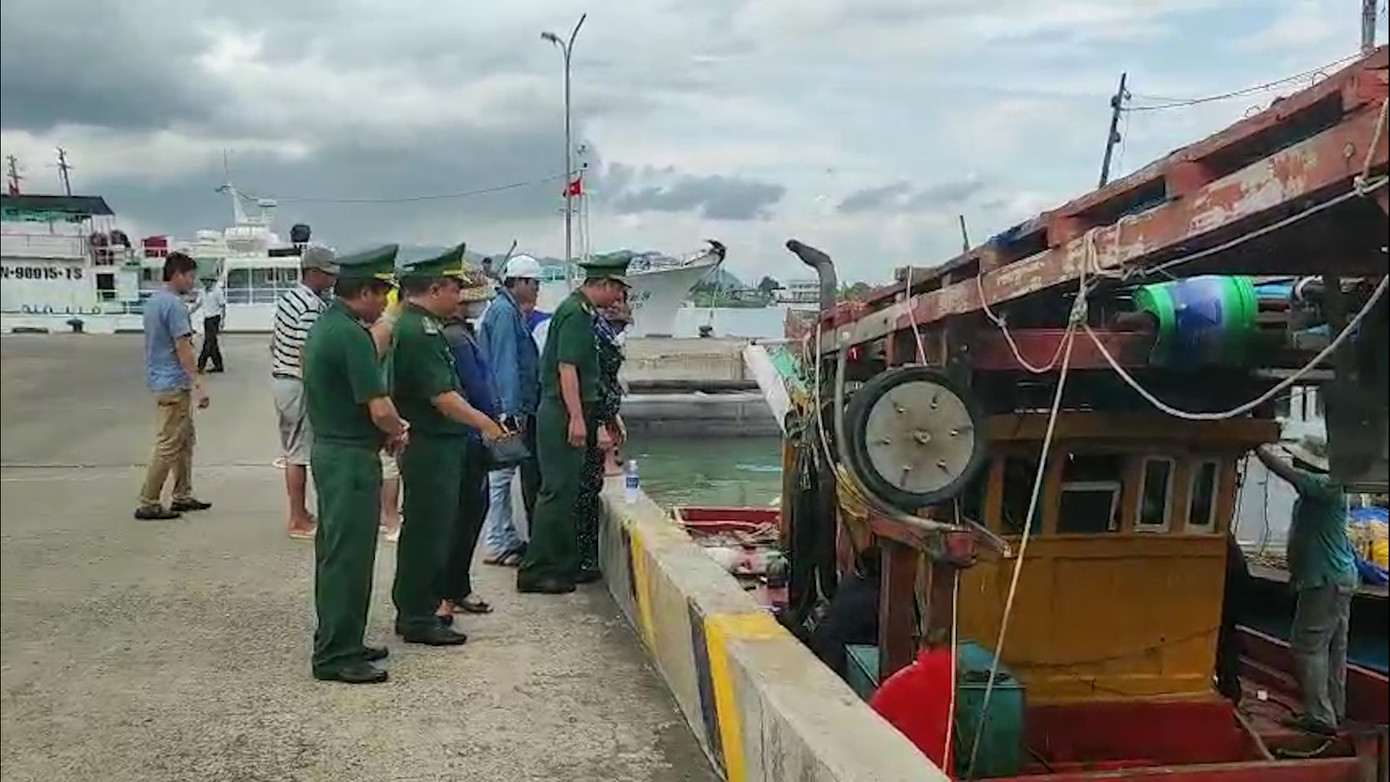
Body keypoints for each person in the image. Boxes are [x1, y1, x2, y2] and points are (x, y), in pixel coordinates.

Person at [389, 245, 506, 646]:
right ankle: (417, 614)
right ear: (435, 288)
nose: (460, 297)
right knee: (427, 530)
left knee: (435, 530)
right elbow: (442, 395)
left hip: (439, 444)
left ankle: (420, 609)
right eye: (455, 288)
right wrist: (486, 424)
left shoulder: (425, 327)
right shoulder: (418, 331)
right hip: (431, 444)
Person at [301, 249, 408, 685]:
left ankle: (343, 638)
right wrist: (399, 429)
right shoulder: (350, 335)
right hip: (348, 457)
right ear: (363, 292)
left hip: (335, 450)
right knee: (347, 557)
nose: (385, 302)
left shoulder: (331, 326)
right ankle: (335, 654)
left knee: (341, 553)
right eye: (381, 293)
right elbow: (378, 405)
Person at [517, 255, 630, 594]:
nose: (620, 298)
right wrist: (578, 419)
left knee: (566, 492)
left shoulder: (580, 312)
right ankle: (536, 570)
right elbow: (568, 368)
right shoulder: (575, 313)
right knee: (557, 491)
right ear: (606, 284)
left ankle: (560, 565)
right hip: (563, 411)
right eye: (619, 289)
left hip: (571, 409)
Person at [1254, 441, 1356, 735]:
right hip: (1330, 577)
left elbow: (1288, 474)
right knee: (1334, 648)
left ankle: (1320, 716)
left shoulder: (1327, 486)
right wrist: (1295, 575)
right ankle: (1334, 709)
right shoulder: (1318, 493)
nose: (1298, 464)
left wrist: (1259, 450)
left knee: (1307, 647)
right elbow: (1308, 538)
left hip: (1326, 580)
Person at [438, 275, 502, 617]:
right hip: (468, 434)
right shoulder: (457, 338)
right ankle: (449, 591)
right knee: (465, 516)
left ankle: (456, 587)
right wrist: (494, 420)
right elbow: (477, 389)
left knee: (470, 513)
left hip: (469, 433)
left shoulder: (460, 333)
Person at [134, 252, 212, 520]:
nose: (193, 281)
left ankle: (182, 494)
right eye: (190, 276)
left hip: (160, 379)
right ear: (178, 274)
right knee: (169, 443)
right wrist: (198, 384)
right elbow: (183, 348)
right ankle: (149, 500)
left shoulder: (153, 303)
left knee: (184, 440)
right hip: (173, 384)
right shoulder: (175, 306)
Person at [477, 254, 543, 566]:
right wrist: (510, 411)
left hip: (505, 403)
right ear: (521, 282)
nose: (537, 290)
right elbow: (505, 364)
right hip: (506, 406)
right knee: (501, 477)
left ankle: (504, 535)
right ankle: (496, 541)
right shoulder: (504, 313)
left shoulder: (504, 309)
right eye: (534, 283)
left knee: (502, 475)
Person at [271, 244, 339, 540]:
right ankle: (297, 519)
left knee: (292, 449)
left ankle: (300, 513)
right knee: (298, 453)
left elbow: (275, 343)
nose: (332, 280)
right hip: (297, 382)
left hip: (282, 380)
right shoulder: (311, 305)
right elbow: (306, 352)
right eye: (328, 274)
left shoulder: (289, 297)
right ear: (313, 272)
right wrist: (320, 388)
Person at [574, 292, 631, 581]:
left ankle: (586, 555)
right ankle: (582, 560)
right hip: (590, 418)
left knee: (592, 484)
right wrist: (598, 422)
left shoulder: (609, 333)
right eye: (619, 300)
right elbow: (593, 382)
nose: (623, 306)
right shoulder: (596, 333)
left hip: (600, 416)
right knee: (585, 487)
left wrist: (611, 417)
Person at [1215, 531, 1251, 702]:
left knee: (1223, 637)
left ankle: (1229, 689)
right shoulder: (1225, 540)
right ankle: (1230, 688)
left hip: (1226, 592)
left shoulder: (1218, 544)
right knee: (1226, 636)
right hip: (1232, 591)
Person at [195, 277, 227, 374]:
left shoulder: (218, 291)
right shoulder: (202, 292)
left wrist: (222, 320)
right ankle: (218, 365)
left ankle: (200, 365)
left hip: (215, 319)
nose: (206, 283)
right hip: (207, 319)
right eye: (204, 281)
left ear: (212, 281)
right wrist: (188, 312)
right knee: (212, 343)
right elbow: (198, 304)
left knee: (208, 343)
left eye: (207, 281)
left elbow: (223, 306)